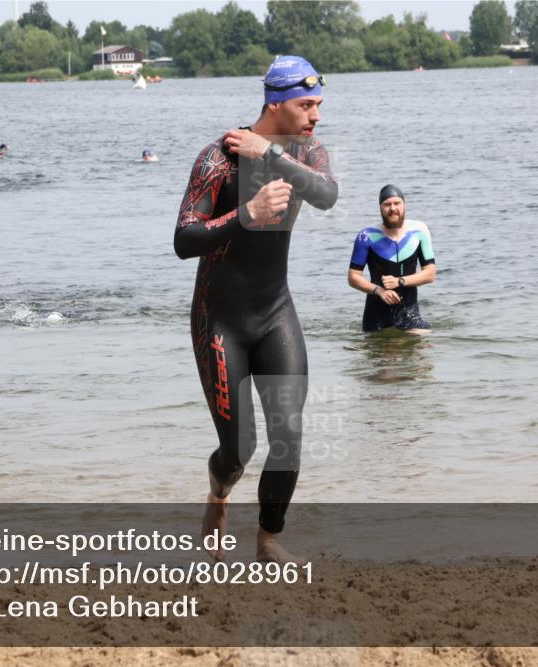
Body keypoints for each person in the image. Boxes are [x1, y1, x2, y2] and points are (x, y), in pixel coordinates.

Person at [174, 55, 337, 564]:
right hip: (219, 321)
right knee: (238, 449)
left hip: (275, 314)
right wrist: (246, 214)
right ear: (276, 102)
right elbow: (184, 239)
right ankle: (218, 494)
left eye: (318, 105)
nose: (316, 116)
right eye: (306, 105)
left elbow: (328, 195)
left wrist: (271, 153)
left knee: (288, 432)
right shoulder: (218, 159)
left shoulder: (307, 151)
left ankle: (268, 538)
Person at [348, 185, 436, 333]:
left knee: (423, 347)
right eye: (387, 204)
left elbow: (430, 273)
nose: (392, 208)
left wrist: (400, 281)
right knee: (381, 353)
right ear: (380, 208)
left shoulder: (419, 231)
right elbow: (353, 277)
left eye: (397, 203)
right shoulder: (366, 236)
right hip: (376, 314)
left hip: (409, 310)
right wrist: (379, 291)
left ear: (404, 205)